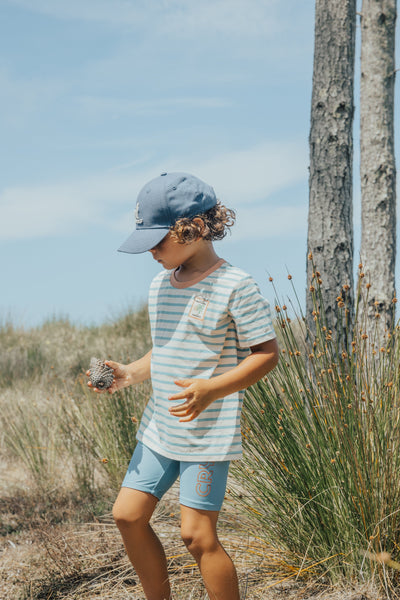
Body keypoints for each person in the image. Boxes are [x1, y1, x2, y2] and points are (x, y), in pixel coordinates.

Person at [88, 172, 279, 600]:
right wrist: (129, 373)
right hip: (161, 427)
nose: (152, 253)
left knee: (196, 536)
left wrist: (211, 389)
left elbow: (266, 355)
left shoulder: (236, 286)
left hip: (207, 434)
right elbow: (168, 349)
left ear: (190, 229)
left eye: (158, 242)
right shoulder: (160, 286)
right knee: (127, 515)